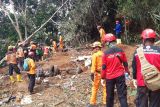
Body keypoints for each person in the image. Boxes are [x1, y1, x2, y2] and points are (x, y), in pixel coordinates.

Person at [132, 28, 160, 107]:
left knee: (141, 104)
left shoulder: (137, 52)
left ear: (143, 40)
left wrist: (134, 78)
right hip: (156, 82)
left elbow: (134, 67)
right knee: (155, 104)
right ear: (154, 39)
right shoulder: (159, 51)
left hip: (142, 82)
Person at [101, 33, 129, 107]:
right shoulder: (120, 51)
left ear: (108, 42)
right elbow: (125, 63)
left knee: (109, 96)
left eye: (105, 42)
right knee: (122, 96)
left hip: (109, 77)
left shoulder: (105, 53)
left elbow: (103, 67)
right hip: (120, 76)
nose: (105, 44)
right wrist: (127, 72)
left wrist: (102, 77)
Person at [88, 41, 106, 107]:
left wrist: (92, 73)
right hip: (104, 74)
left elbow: (93, 65)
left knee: (95, 88)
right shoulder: (104, 54)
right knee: (105, 87)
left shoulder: (95, 55)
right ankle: (105, 102)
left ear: (96, 48)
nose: (93, 49)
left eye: (94, 48)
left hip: (97, 74)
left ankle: (92, 103)